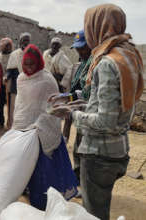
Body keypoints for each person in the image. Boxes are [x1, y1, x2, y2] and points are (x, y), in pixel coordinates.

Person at [51, 4, 144, 220]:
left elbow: (105, 121)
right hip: (118, 149)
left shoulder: (106, 63)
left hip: (99, 153)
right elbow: (106, 103)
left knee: (94, 214)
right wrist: (73, 102)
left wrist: (71, 114)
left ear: (98, 27)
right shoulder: (129, 55)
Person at [13, 44, 78, 210]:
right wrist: (18, 125)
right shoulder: (20, 79)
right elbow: (20, 105)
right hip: (23, 131)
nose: (28, 68)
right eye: (25, 64)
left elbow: (53, 109)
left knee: (43, 180)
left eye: (31, 64)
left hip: (42, 136)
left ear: (39, 63)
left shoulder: (47, 80)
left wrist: (39, 125)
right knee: (24, 176)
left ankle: (44, 209)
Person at [49, 30, 92, 194]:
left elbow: (86, 94)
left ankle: (84, 185)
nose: (80, 52)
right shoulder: (81, 66)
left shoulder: (95, 66)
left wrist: (69, 99)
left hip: (90, 116)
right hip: (80, 114)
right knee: (78, 148)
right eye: (78, 49)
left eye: (83, 48)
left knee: (84, 150)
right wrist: (64, 97)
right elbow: (77, 92)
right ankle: (78, 180)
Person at [6, 32, 31, 129]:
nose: (26, 42)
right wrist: (6, 76)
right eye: (24, 40)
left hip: (29, 84)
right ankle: (13, 126)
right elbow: (10, 70)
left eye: (27, 41)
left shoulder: (32, 53)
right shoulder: (14, 54)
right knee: (14, 107)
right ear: (20, 41)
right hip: (16, 85)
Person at [0, 38, 14, 129]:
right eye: (5, 46)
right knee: (0, 104)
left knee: (10, 104)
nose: (6, 47)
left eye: (8, 46)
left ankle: (10, 123)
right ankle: (0, 121)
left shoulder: (13, 56)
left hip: (9, 83)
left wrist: (7, 76)